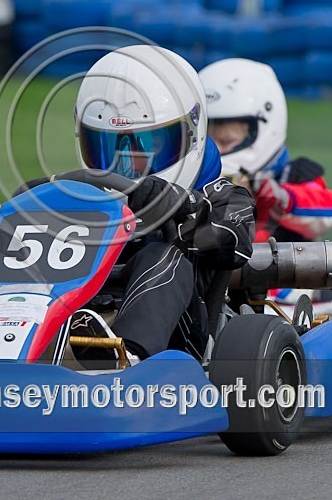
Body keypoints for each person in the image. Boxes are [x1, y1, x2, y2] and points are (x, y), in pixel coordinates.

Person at [21, 45, 256, 367]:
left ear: (192, 130)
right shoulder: (83, 197)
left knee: (160, 254)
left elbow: (234, 245)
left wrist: (180, 206)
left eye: (147, 145)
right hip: (77, 309)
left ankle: (128, 355)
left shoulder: (222, 195)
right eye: (108, 146)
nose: (128, 164)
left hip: (182, 334)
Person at [198, 58, 332, 244]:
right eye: (207, 141)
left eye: (226, 141)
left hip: (285, 267)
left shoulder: (292, 175)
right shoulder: (196, 179)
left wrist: (280, 198)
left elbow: (331, 208)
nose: (216, 150)